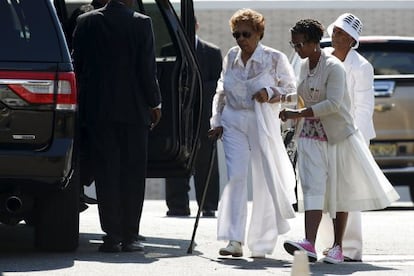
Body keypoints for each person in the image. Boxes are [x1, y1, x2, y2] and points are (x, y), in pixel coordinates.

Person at [281, 18, 399, 264]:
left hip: (338, 136)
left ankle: (338, 247)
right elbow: (303, 94)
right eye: (293, 45)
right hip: (310, 135)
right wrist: (279, 98)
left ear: (313, 43)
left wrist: (299, 113)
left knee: (338, 192)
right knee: (312, 188)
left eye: (299, 44)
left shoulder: (338, 67)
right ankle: (310, 244)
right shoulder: (305, 65)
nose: (296, 49)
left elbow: (337, 104)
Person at [72, 0, 162, 253]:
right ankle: (130, 235)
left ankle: (111, 235)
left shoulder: (85, 22)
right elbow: (147, 69)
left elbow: (77, 66)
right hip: (134, 111)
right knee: (132, 175)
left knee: (106, 173)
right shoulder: (141, 23)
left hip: (98, 111)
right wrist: (155, 102)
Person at [208, 8, 297, 258]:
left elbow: (291, 91)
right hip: (234, 120)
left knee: (263, 179)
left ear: (259, 32)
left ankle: (260, 242)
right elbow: (221, 91)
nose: (241, 39)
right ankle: (233, 239)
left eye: (246, 34)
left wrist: (269, 93)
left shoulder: (275, 58)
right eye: (236, 35)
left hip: (261, 121)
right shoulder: (231, 56)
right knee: (236, 176)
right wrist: (216, 120)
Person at [318, 13, 376, 262]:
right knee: (323, 191)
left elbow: (364, 108)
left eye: (342, 33)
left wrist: (356, 142)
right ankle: (327, 245)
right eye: (335, 31)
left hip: (351, 136)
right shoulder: (323, 59)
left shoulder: (362, 66)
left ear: (353, 40)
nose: (336, 35)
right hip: (323, 135)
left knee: (348, 194)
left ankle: (350, 249)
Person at [164, 18, 223, 218]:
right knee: (175, 156)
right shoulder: (168, 50)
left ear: (197, 26)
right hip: (176, 117)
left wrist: (193, 91)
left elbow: (217, 83)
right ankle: (177, 205)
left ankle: (208, 205)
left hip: (204, 115)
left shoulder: (212, 52)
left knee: (206, 159)